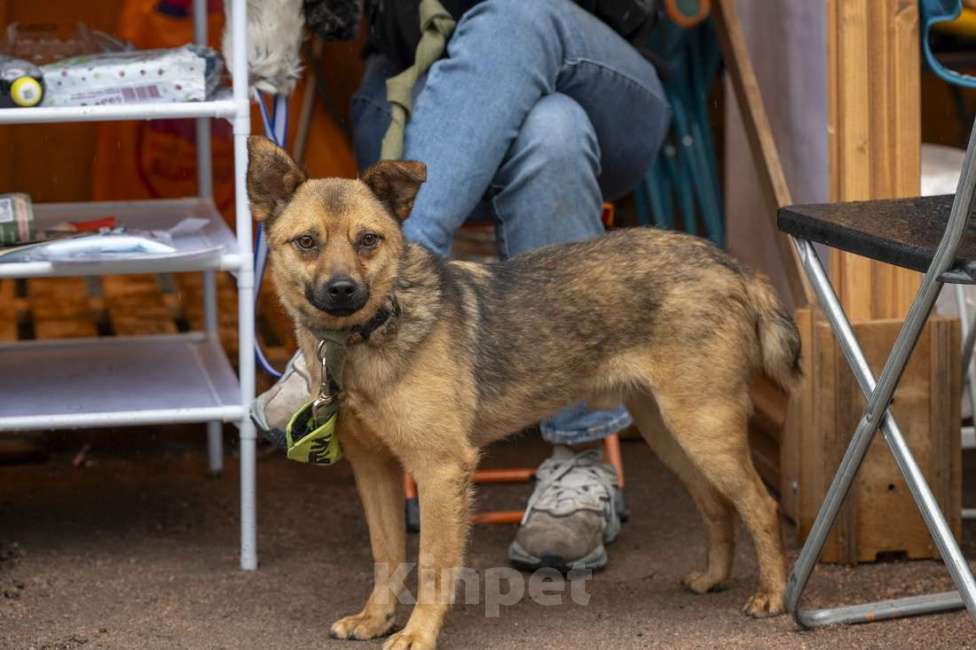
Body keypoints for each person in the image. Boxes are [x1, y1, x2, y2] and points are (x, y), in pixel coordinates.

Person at [260, 0, 671, 571]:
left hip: (596, 78)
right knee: (552, 130)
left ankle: (367, 296)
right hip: (419, 96)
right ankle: (578, 457)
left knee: (515, 13)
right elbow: (359, 18)